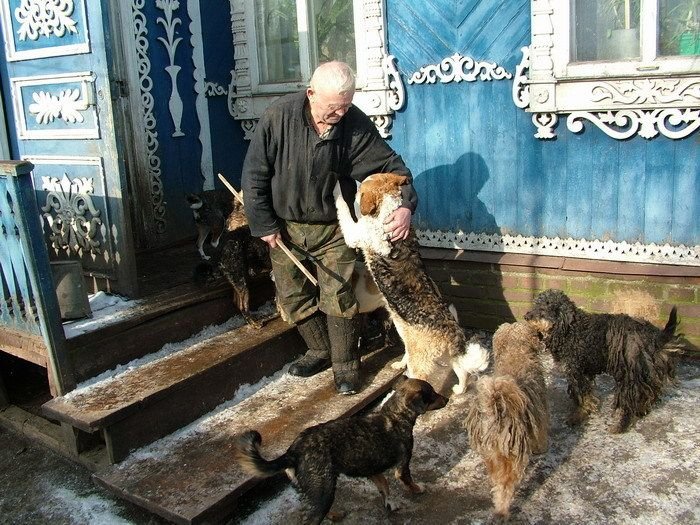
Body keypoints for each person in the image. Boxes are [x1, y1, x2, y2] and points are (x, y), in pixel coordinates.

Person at [242, 61, 417, 395]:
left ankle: (347, 366)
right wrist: (263, 224)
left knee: (338, 293)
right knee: (292, 295)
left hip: (333, 227)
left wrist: (406, 204)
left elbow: (393, 168)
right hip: (285, 227)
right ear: (310, 94)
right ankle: (320, 350)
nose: (339, 114)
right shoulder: (277, 117)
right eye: (332, 108)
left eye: (346, 106)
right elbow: (254, 175)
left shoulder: (354, 125)